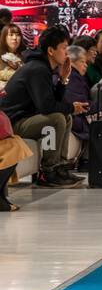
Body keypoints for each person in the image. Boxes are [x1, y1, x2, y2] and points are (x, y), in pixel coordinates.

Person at [0, 26, 87, 188]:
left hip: (23, 118)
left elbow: (52, 102)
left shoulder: (43, 68)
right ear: (51, 51)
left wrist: (63, 80)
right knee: (56, 119)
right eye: (63, 48)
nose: (66, 53)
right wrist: (71, 107)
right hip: (12, 123)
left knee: (64, 117)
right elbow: (47, 107)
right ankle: (48, 172)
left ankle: (60, 168)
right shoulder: (38, 70)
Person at [61, 45, 93, 161]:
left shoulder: (74, 77)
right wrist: (100, 106)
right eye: (82, 62)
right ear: (71, 61)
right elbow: (80, 103)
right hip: (73, 119)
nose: (86, 65)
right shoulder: (74, 78)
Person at [0, 20, 24, 91]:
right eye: (11, 35)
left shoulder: (25, 56)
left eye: (17, 35)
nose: (15, 38)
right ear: (4, 37)